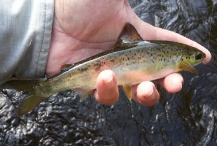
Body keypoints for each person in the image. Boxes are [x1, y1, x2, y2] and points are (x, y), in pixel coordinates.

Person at [0, 0, 211, 106]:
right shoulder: (173, 55)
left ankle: (42, 89)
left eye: (195, 58)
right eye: (195, 58)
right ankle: (42, 89)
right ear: (184, 58)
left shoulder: (175, 56)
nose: (196, 60)